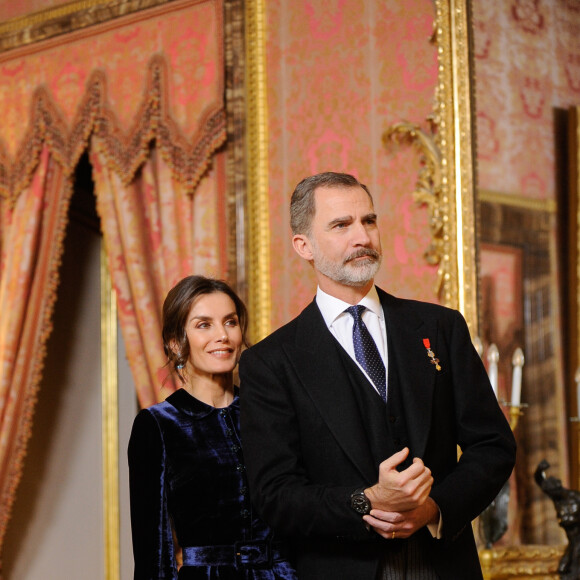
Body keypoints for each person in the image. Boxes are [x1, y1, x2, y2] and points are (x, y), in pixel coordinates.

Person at [239, 172, 517, 579]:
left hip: (441, 564)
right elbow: (275, 495)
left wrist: (433, 508)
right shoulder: (270, 362)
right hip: (339, 568)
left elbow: (493, 446)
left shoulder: (440, 327)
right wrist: (366, 501)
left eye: (369, 221)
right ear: (304, 246)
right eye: (341, 225)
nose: (362, 237)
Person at [128, 275, 297, 579]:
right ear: (176, 342)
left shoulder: (270, 410)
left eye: (230, 322)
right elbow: (152, 548)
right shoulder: (157, 425)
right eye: (204, 325)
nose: (223, 335)